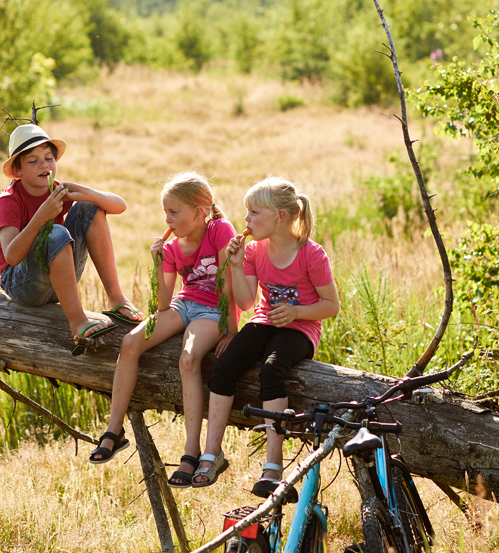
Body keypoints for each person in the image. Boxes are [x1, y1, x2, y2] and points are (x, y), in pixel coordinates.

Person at [88, 172, 239, 486]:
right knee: (130, 342)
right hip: (184, 305)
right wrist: (158, 263)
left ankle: (191, 451)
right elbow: (162, 305)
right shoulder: (172, 247)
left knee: (188, 358)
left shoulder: (219, 230)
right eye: (165, 212)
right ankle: (114, 430)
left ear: (199, 213)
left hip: (213, 310)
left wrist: (231, 329)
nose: (167, 219)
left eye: (174, 211)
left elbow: (229, 284)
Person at [191, 177, 339, 494]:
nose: (246, 220)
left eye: (254, 213)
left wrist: (297, 312)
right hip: (264, 321)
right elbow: (246, 302)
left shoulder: (311, 254)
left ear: (280, 217)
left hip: (301, 328)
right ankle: (211, 454)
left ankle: (273, 465)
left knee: (272, 369)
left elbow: (331, 306)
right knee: (225, 365)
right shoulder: (255, 250)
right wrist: (232, 264)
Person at [0, 123, 143, 355]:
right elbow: (11, 256)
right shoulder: (8, 201)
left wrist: (85, 192)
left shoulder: (57, 190)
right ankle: (78, 322)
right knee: (56, 233)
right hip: (22, 285)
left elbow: (120, 206)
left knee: (89, 207)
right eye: (33, 161)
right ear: (18, 170)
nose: (44, 165)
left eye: (49, 158)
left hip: (57, 279)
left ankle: (116, 297)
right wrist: (41, 217)